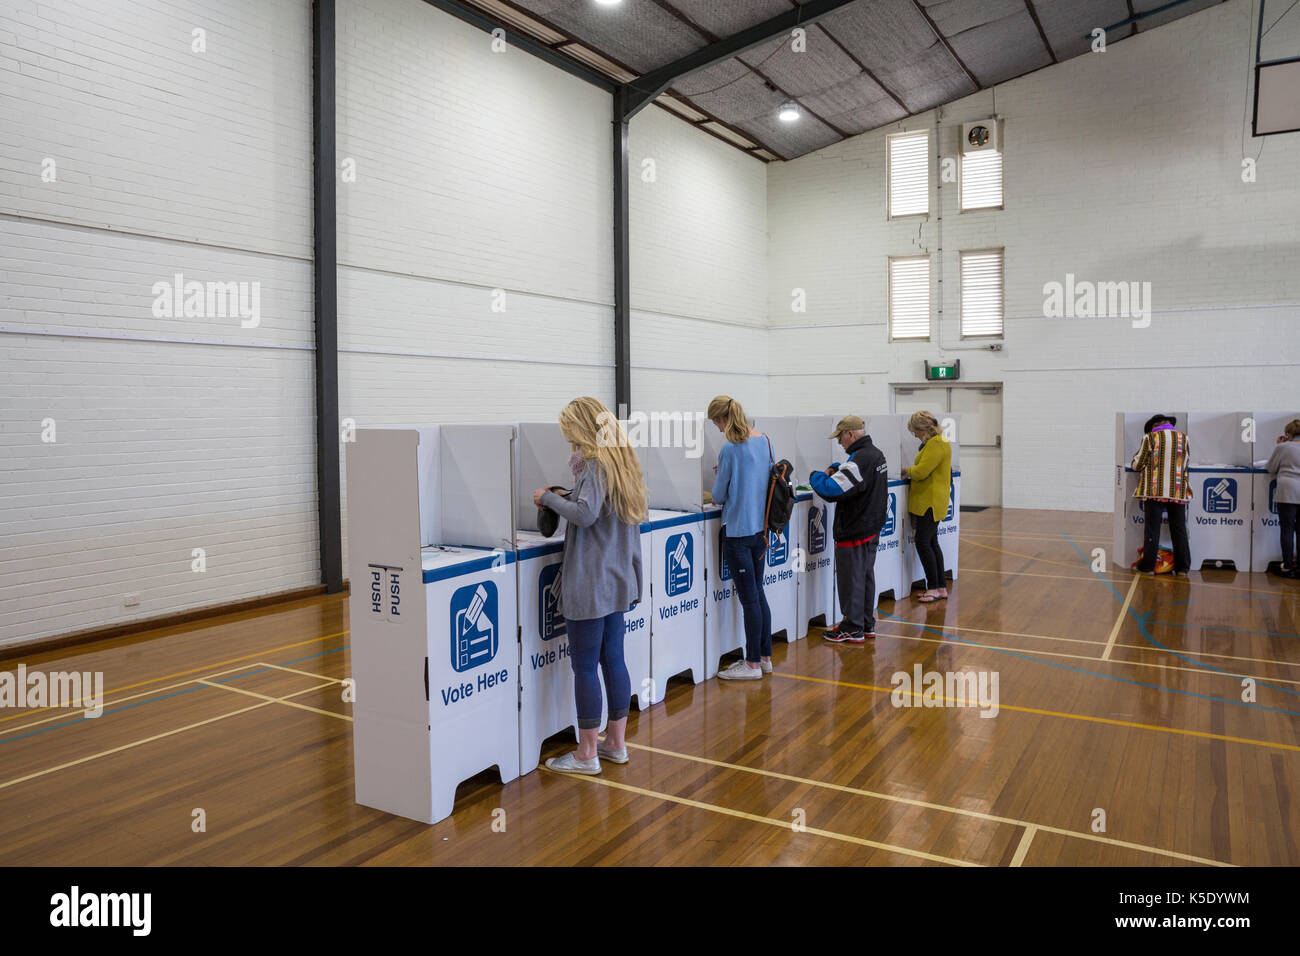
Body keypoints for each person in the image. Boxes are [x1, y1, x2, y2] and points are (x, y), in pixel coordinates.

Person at [532, 396, 648, 775]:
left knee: (584, 665)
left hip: (590, 581)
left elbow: (584, 514)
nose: (572, 447)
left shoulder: (596, 466)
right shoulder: (622, 464)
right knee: (613, 658)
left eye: (572, 438)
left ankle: (586, 753)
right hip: (617, 579)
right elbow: (595, 509)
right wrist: (571, 494)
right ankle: (615, 743)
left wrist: (548, 497)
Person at [707, 395, 773, 680]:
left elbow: (719, 496)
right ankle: (765, 658)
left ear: (723, 419)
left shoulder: (729, 448)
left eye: (716, 423)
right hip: (762, 530)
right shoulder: (764, 440)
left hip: (738, 532)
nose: (717, 429)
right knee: (758, 593)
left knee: (749, 600)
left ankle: (752, 665)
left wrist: (722, 475)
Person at [808, 415, 889, 642]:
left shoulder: (859, 459)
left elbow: (832, 490)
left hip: (855, 529)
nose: (839, 443)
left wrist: (816, 476)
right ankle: (865, 623)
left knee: (850, 580)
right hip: (871, 527)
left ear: (850, 435)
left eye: (840, 438)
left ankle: (852, 628)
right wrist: (839, 468)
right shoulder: (875, 454)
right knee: (864, 578)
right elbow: (857, 478)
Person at [1129, 413, 1191, 577]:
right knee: (1179, 529)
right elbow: (1186, 464)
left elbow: (1137, 463)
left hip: (1155, 490)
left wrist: (1134, 460)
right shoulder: (1184, 438)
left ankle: (1148, 566)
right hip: (1177, 490)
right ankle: (1182, 568)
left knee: (1152, 529)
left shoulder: (1150, 438)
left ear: (1154, 426)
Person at [900, 411, 952, 603]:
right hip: (934, 500)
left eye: (915, 431)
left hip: (929, 501)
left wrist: (906, 471)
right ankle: (940, 587)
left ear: (923, 429)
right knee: (932, 543)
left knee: (923, 543)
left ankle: (933, 587)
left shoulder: (935, 444)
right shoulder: (941, 442)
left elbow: (922, 472)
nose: (914, 435)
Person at [1266, 419, 1300, 577]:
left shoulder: (1283, 447)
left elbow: (1271, 468)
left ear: (1288, 434)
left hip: (1287, 490)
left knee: (1287, 530)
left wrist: (1278, 445)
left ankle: (1287, 567)